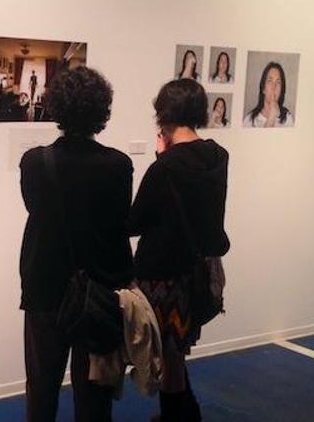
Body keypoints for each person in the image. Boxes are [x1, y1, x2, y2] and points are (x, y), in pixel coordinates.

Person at [19, 66, 133, 422]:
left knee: (41, 387)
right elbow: (120, 226)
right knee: (94, 396)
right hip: (99, 290)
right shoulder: (118, 165)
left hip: (45, 285)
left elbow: (35, 209)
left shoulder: (35, 161)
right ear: (102, 110)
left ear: (57, 106)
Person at [128, 78, 230, 422]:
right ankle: (188, 414)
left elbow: (135, 222)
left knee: (168, 358)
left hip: (162, 276)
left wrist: (163, 158)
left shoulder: (165, 167)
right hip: (197, 272)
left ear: (164, 114)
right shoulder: (219, 157)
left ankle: (177, 417)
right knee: (178, 352)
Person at [243, 62, 294, 127]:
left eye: (278, 82)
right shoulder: (249, 120)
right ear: (263, 88)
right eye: (270, 81)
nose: (274, 86)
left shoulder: (287, 118)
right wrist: (271, 118)